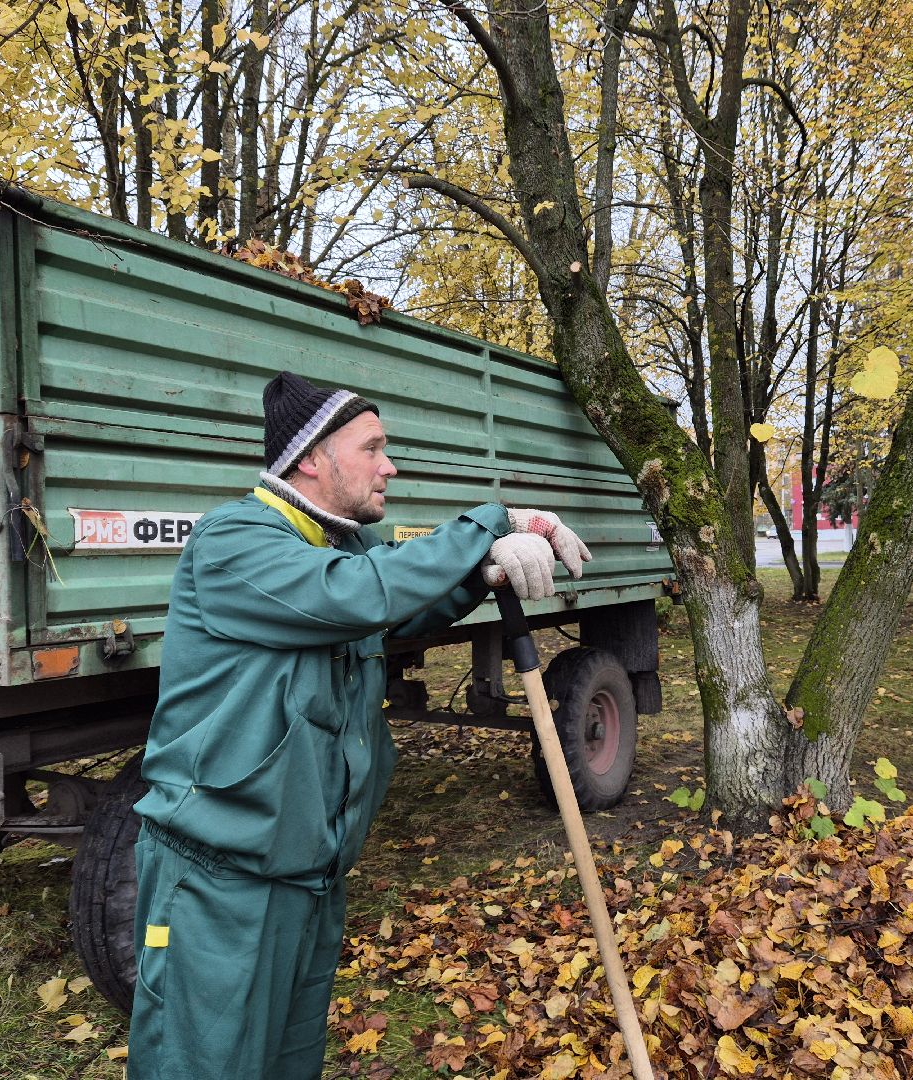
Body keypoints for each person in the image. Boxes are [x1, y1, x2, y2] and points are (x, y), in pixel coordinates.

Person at [127, 370, 591, 1079]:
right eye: (373, 448)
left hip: (307, 871)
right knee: (205, 1065)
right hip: (218, 881)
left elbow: (393, 608)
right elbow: (357, 596)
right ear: (312, 456)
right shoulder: (236, 541)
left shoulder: (335, 549)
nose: (389, 466)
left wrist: (481, 577)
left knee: (287, 1062)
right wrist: (488, 525)